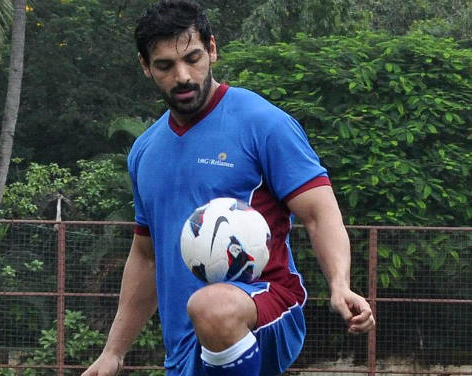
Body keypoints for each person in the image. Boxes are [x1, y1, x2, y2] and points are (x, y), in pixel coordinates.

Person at [82, 1, 375, 375]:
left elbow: (319, 214)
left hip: (266, 306)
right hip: (186, 345)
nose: (183, 76)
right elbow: (146, 256)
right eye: (165, 65)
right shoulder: (144, 151)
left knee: (213, 307)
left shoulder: (263, 123)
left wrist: (340, 284)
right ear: (145, 67)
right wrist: (113, 352)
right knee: (206, 312)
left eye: (193, 57)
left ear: (213, 50)